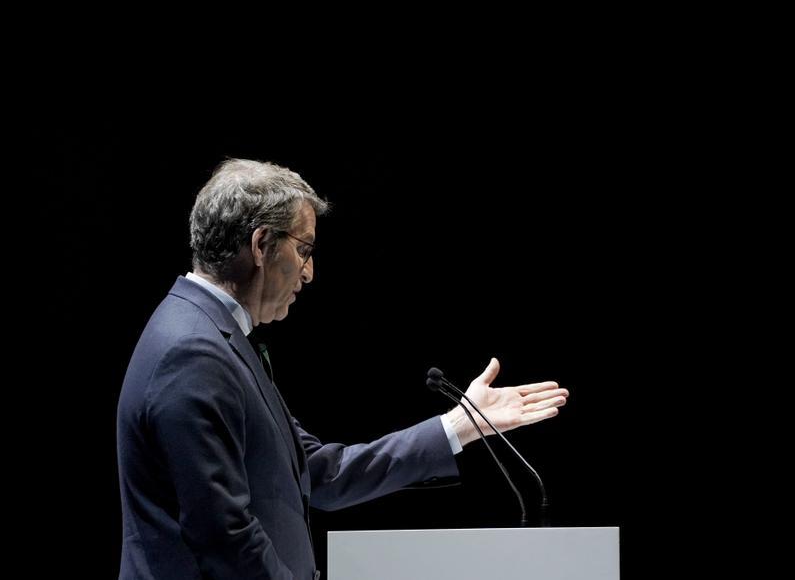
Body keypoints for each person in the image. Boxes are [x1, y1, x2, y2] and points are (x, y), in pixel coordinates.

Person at [116, 158, 569, 579]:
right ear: (261, 244)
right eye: (304, 249)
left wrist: (459, 424)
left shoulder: (213, 336)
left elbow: (318, 473)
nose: (309, 273)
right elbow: (222, 536)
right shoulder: (193, 352)